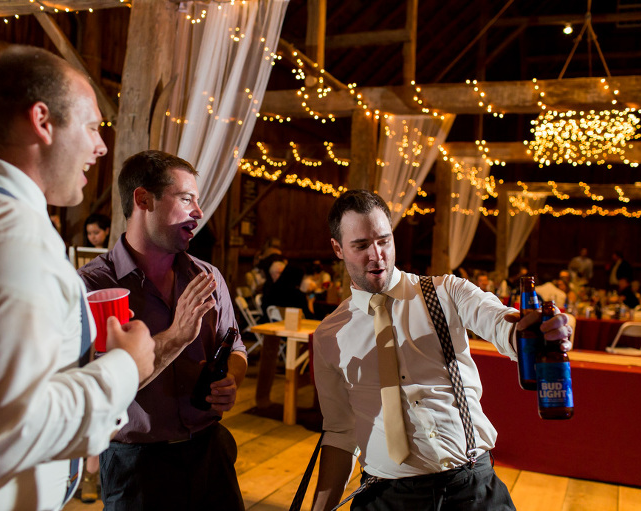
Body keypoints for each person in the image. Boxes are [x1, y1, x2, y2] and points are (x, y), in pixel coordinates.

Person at [0, 45, 156, 510]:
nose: (101, 146)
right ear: (43, 121)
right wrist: (124, 367)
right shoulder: (7, 232)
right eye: (91, 126)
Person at [310, 190, 571, 511]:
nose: (377, 255)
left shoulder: (446, 292)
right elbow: (339, 433)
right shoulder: (329, 336)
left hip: (470, 487)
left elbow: (501, 322)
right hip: (386, 497)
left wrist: (532, 332)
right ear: (338, 248)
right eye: (361, 245)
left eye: (384, 240)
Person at [78, 150, 248, 510]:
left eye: (197, 200)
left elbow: (236, 348)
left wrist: (230, 379)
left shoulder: (207, 277)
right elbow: (94, 386)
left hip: (210, 451)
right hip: (136, 464)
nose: (199, 213)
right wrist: (176, 336)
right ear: (143, 199)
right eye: (186, 199)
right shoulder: (93, 287)